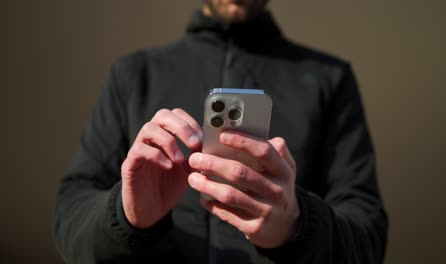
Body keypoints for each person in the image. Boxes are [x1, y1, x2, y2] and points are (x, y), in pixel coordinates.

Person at [53, 0, 388, 263]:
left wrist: (296, 225)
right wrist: (126, 217)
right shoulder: (132, 75)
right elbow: (70, 219)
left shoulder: (329, 79)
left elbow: (368, 235)